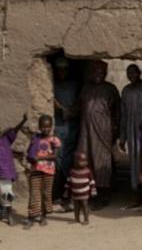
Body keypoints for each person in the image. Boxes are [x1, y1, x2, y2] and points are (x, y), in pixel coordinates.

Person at [76, 60, 120, 209]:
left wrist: (116, 129)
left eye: (100, 73)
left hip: (103, 129)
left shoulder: (110, 89)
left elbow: (117, 111)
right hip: (86, 130)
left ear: (105, 74)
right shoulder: (86, 88)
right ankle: (85, 193)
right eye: (95, 72)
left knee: (102, 161)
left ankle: (103, 195)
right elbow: (79, 105)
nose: (97, 75)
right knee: (85, 158)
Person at [118, 64, 142, 205]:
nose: (131, 75)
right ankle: (137, 193)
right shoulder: (126, 91)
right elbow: (123, 114)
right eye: (128, 73)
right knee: (134, 163)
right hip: (132, 131)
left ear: (139, 73)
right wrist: (123, 137)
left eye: (134, 72)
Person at [52, 57, 81, 212]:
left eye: (64, 69)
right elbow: (49, 97)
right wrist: (62, 109)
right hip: (58, 126)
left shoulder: (74, 85)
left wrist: (72, 111)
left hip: (72, 126)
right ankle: (58, 195)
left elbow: (80, 100)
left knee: (70, 162)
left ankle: (69, 195)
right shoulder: (53, 85)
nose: (62, 72)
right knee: (58, 161)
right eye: (59, 69)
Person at [24, 114, 61, 229]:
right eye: (43, 126)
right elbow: (29, 152)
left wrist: (39, 158)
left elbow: (55, 156)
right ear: (39, 126)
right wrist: (30, 158)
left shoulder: (54, 140)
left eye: (48, 126)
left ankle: (43, 216)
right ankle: (31, 217)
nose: (46, 129)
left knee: (46, 194)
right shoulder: (35, 138)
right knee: (34, 194)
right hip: (35, 170)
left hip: (48, 171)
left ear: (51, 126)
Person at [0, 113, 27, 226]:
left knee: (7, 194)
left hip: (5, 172)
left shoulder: (5, 139)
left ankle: (9, 215)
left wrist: (23, 121)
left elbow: (14, 130)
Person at [63, 152, 97, 225]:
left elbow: (92, 182)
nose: (84, 162)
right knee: (76, 206)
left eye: (85, 160)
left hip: (84, 192)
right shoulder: (72, 171)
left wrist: (93, 190)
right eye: (81, 160)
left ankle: (86, 219)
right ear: (75, 161)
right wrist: (66, 190)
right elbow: (69, 181)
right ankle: (76, 219)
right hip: (74, 193)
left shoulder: (88, 171)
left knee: (85, 205)